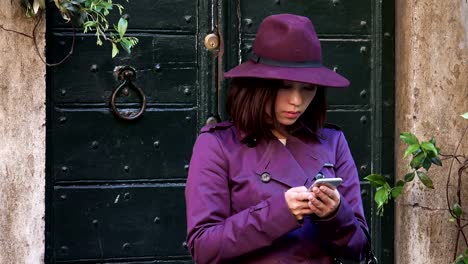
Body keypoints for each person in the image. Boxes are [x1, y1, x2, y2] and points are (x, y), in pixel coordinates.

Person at [185, 13, 368, 264]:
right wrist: (279, 212)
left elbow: (358, 248)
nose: (296, 101)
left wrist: (336, 213)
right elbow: (204, 248)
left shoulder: (332, 141)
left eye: (308, 88)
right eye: (284, 86)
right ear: (258, 85)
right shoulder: (218, 144)